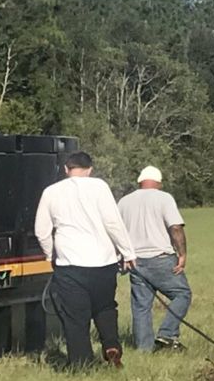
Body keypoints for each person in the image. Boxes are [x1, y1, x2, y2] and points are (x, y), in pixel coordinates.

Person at [34, 150, 137, 369]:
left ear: (66, 169)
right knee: (105, 306)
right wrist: (127, 253)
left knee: (75, 317)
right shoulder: (100, 187)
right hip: (103, 261)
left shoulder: (51, 192)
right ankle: (111, 345)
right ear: (90, 169)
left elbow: (41, 231)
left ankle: (81, 363)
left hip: (70, 264)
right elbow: (113, 223)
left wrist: (50, 254)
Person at [118, 165, 193, 352]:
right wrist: (182, 254)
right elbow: (175, 227)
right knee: (182, 294)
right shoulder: (164, 198)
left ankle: (144, 349)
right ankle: (167, 334)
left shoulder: (124, 202)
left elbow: (116, 231)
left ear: (140, 182)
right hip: (160, 257)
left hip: (134, 260)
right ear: (159, 183)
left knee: (141, 306)